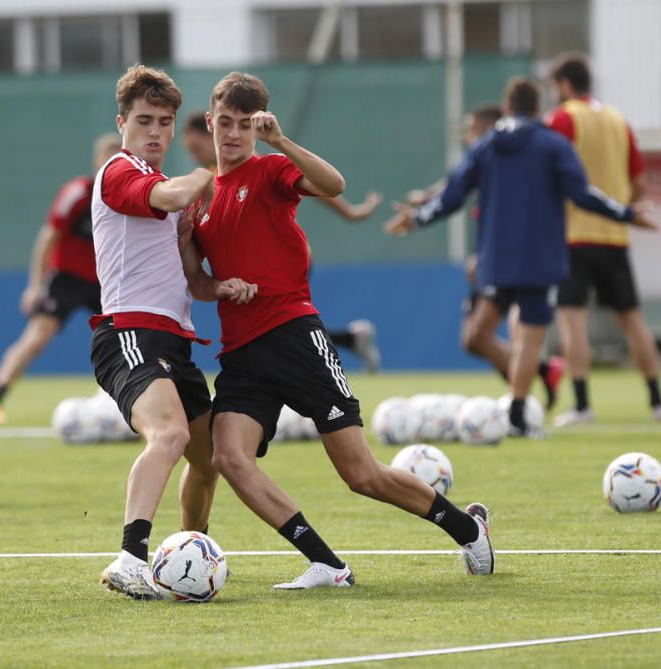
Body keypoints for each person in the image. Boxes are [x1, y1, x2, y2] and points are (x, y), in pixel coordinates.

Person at [190, 71, 495, 589]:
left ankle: (468, 528)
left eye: (245, 125)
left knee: (361, 475)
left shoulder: (270, 171)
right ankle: (327, 564)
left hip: (295, 336)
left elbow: (335, 185)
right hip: (241, 352)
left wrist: (280, 139)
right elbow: (197, 282)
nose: (234, 134)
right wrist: (221, 289)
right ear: (210, 121)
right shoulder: (200, 197)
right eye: (225, 123)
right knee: (228, 458)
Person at [385, 77, 656, 438]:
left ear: (507, 107)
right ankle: (517, 415)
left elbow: (453, 195)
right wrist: (625, 214)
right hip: (540, 260)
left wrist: (418, 219)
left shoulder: (486, 146)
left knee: (481, 333)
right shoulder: (553, 145)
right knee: (528, 339)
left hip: (495, 260)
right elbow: (582, 194)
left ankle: (523, 405)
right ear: (538, 107)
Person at [89, 64, 257, 600]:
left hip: (173, 340)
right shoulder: (120, 171)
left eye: (165, 121)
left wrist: (221, 285)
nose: (156, 132)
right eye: (144, 120)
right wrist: (205, 174)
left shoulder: (164, 190)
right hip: (128, 333)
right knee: (170, 434)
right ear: (122, 123)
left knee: (209, 460)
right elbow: (171, 196)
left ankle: (189, 553)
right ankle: (130, 558)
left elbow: (192, 281)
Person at [182, 109, 383, 373]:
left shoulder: (251, 166)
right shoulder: (208, 180)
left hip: (280, 259)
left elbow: (309, 181)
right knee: (272, 330)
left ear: (210, 132)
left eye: (197, 147)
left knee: (276, 326)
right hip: (249, 267)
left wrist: (350, 212)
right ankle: (350, 339)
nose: (194, 155)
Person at [404, 104, 565, 409]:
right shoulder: (489, 156)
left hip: (510, 261)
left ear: (487, 127)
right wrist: (428, 199)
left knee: (478, 336)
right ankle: (538, 376)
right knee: (474, 339)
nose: (467, 134)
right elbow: (460, 183)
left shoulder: (502, 151)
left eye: (470, 127)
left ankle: (523, 398)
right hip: (493, 257)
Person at [547, 53, 661, 425]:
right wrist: (624, 209)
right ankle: (658, 402)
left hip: (574, 235)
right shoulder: (620, 121)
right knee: (633, 320)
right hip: (615, 238)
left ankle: (583, 405)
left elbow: (549, 169)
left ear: (565, 85)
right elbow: (639, 183)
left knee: (573, 321)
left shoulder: (564, 118)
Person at [0, 134, 122, 425]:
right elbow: (48, 237)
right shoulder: (78, 193)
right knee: (37, 337)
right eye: (107, 158)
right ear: (96, 163)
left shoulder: (129, 197)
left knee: (123, 339)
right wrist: (35, 285)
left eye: (118, 159)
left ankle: (121, 403)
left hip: (106, 280)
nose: (112, 165)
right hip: (66, 277)